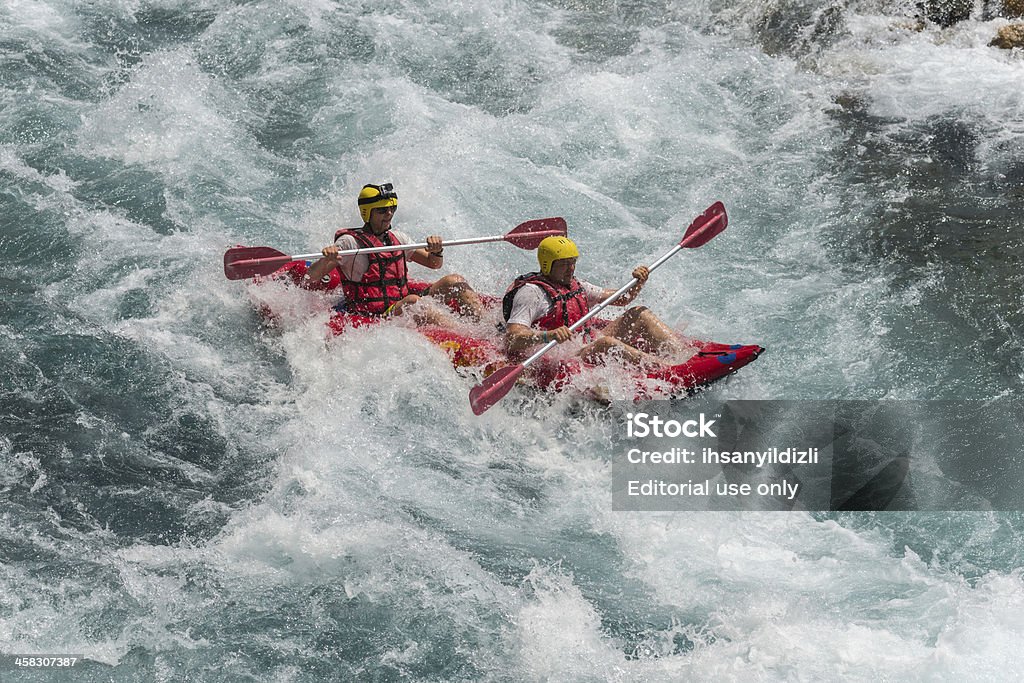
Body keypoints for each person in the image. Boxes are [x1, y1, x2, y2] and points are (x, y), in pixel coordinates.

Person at [303, 182, 485, 323]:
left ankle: (487, 328)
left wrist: (437, 251)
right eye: (382, 210)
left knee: (455, 281)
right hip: (376, 316)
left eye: (392, 208)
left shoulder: (399, 239)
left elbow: (434, 264)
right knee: (413, 302)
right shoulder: (350, 243)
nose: (389, 214)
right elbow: (311, 277)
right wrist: (327, 258)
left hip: (400, 302)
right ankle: (469, 336)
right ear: (367, 213)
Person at [501, 236, 690, 365]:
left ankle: (684, 357)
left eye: (573, 261)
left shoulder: (576, 285)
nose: (571, 268)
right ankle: (668, 369)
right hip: (564, 358)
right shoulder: (531, 294)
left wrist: (639, 282)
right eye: (565, 264)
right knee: (605, 343)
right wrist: (548, 336)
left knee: (638, 313)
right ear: (547, 265)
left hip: (585, 341)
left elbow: (622, 299)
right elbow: (512, 338)